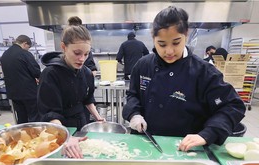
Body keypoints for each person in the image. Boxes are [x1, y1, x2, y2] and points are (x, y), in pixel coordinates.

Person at [122, 6, 246, 152]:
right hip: (145, 145)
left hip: (186, 149)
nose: (169, 51)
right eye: (161, 44)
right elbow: (133, 95)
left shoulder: (204, 71)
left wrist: (208, 134)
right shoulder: (143, 65)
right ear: (153, 39)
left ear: (186, 35)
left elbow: (232, 105)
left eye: (176, 43)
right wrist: (134, 114)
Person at [37, 25, 104, 131]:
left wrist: (98, 119)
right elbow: (50, 113)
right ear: (64, 47)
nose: (82, 59)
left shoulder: (86, 73)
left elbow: (88, 99)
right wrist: (64, 136)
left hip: (82, 121)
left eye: (86, 54)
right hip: (59, 126)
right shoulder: (50, 74)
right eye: (77, 53)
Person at [0, 35, 41, 124]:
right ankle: (35, 136)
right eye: (28, 47)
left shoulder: (5, 54)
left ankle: (22, 136)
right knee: (34, 117)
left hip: (13, 93)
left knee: (21, 118)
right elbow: (36, 71)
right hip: (28, 92)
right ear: (25, 43)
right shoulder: (24, 54)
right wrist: (40, 78)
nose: (28, 50)